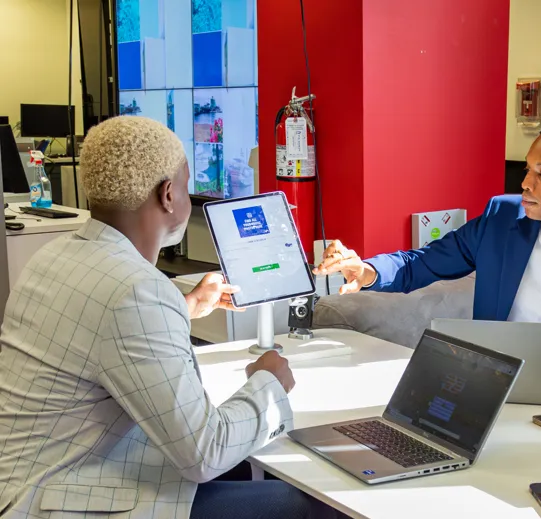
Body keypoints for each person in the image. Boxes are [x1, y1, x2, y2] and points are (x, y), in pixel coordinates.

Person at [0, 116, 331, 519]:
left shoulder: (54, 257)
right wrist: (269, 383)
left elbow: (98, 331)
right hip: (67, 501)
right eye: (188, 186)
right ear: (169, 194)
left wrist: (188, 307)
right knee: (295, 504)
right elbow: (205, 454)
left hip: (28, 485)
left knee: (251, 473)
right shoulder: (135, 292)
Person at [317, 117, 541, 372]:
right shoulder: (501, 217)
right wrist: (367, 270)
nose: (525, 183)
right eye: (527, 169)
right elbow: (420, 263)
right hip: (487, 384)